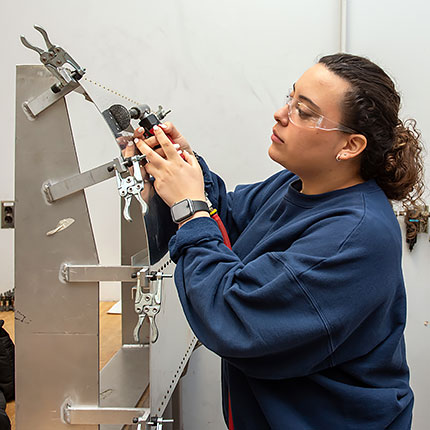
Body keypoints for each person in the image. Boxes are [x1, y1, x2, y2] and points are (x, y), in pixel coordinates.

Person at [130, 53, 423, 429]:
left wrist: (188, 208)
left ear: (350, 146)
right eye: (291, 98)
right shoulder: (297, 184)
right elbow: (229, 221)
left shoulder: (354, 237)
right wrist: (182, 168)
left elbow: (234, 316)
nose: (281, 114)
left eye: (304, 111)